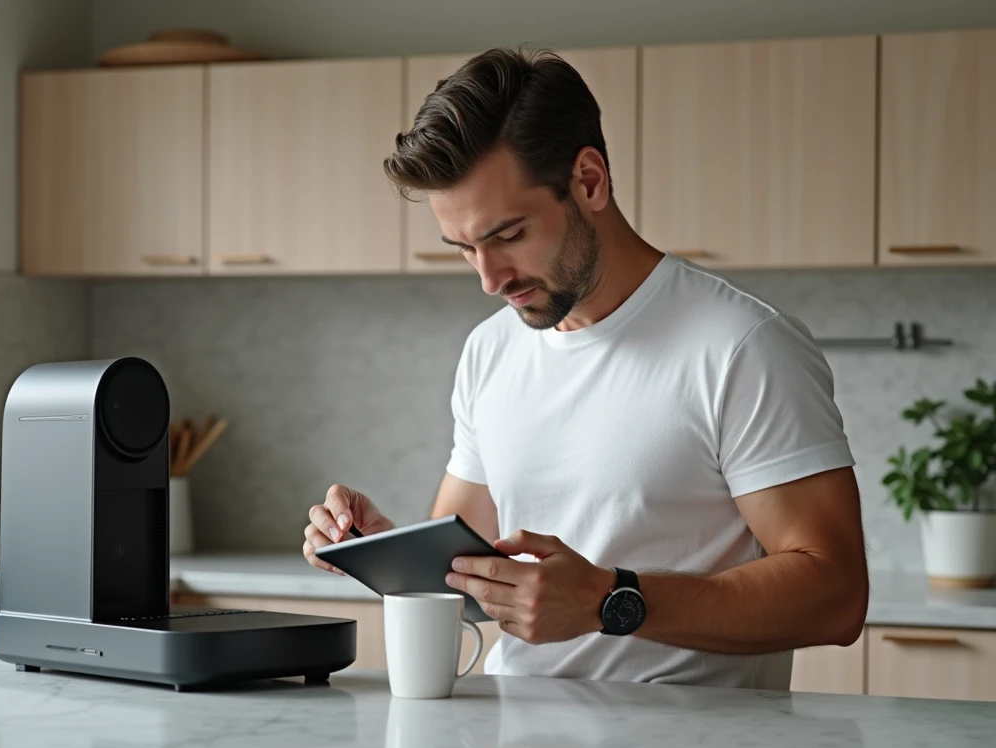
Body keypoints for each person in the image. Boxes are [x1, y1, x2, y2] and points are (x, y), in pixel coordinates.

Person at [302, 47, 868, 689]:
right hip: (514, 739)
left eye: (508, 236)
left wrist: (609, 600)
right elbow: (468, 576)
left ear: (589, 181)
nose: (489, 279)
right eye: (464, 249)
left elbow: (836, 595)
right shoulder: (490, 350)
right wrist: (380, 548)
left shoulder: (742, 346)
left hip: (693, 747)